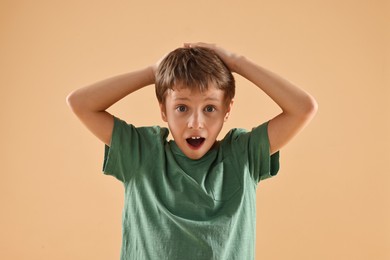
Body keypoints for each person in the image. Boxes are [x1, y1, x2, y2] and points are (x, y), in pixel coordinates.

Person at [66, 42, 317, 260]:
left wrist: (237, 62)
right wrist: (154, 72)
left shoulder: (243, 156)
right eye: (182, 108)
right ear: (163, 110)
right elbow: (80, 103)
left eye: (209, 109)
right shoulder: (142, 153)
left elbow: (303, 108)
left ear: (227, 110)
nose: (195, 123)